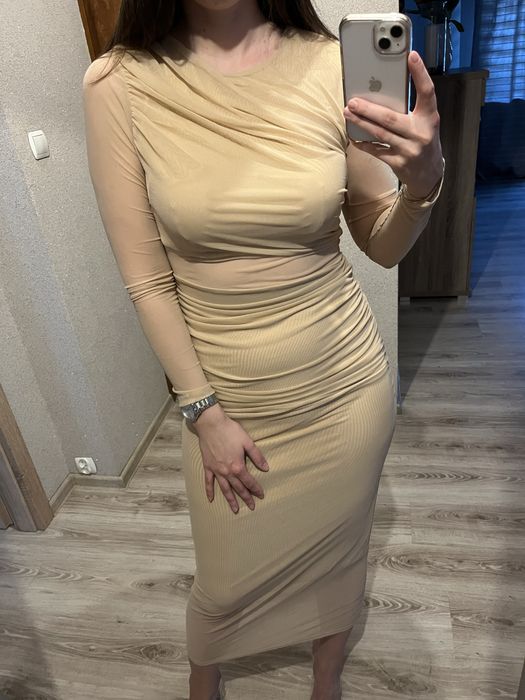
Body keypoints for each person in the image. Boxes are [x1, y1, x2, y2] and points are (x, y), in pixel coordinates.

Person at [82, 1, 445, 698]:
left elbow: (380, 241)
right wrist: (203, 412)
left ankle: (326, 671)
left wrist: (424, 185)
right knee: (222, 584)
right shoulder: (118, 84)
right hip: (226, 402)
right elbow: (147, 280)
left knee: (342, 552)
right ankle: (206, 671)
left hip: (344, 388)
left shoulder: (330, 65)